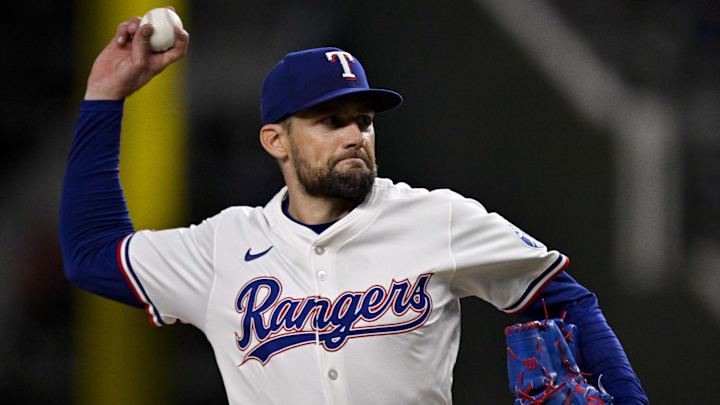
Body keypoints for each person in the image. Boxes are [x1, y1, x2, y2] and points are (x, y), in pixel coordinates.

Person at [60, 11, 649, 405]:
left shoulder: (435, 218)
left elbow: (561, 296)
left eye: (364, 121)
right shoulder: (224, 247)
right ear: (276, 141)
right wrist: (105, 97)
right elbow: (91, 254)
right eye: (331, 121)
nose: (355, 135)